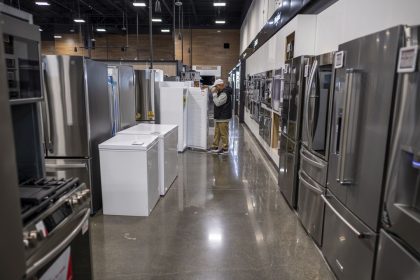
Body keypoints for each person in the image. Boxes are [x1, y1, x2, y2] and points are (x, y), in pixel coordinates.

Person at [208, 79, 233, 154]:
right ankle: (215, 147)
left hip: (223, 117)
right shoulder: (221, 91)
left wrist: (214, 94)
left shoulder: (224, 94)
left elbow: (217, 103)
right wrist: (206, 87)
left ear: (220, 85)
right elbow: (211, 87)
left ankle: (225, 149)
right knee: (217, 133)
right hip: (219, 117)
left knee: (224, 134)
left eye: (216, 86)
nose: (215, 88)